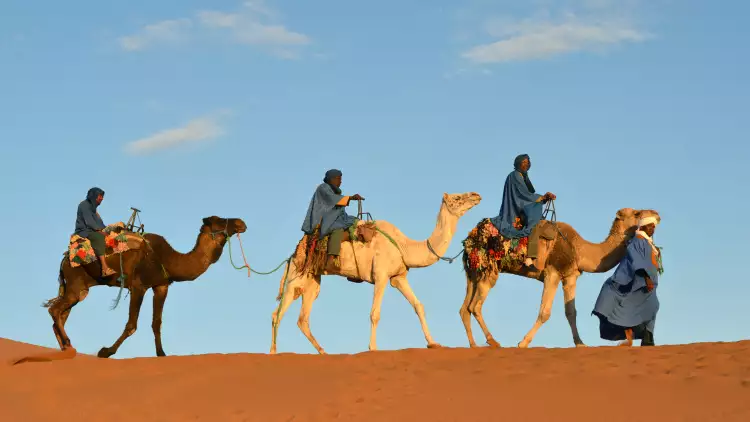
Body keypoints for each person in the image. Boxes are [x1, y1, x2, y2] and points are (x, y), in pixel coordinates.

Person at [591, 215, 662, 346]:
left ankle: (647, 338)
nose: (653, 228)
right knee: (652, 305)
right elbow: (636, 260)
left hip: (648, 286)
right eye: (650, 226)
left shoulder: (647, 242)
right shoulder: (638, 240)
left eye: (654, 226)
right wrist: (646, 278)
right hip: (639, 283)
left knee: (652, 306)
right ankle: (642, 336)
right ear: (642, 226)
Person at [489, 154, 556, 271]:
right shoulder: (515, 175)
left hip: (522, 205)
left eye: (528, 162)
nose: (526, 164)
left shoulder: (523, 176)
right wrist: (543, 197)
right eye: (524, 162)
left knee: (549, 230)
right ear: (518, 163)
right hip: (516, 209)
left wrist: (543, 198)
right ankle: (529, 259)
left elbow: (528, 196)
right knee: (535, 225)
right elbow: (523, 195)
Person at [301, 169, 364, 269]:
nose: (340, 181)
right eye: (338, 179)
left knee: (355, 225)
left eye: (341, 179)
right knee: (337, 229)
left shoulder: (334, 191)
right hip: (324, 219)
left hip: (336, 217)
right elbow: (332, 200)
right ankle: (331, 258)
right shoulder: (323, 188)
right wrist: (351, 198)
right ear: (331, 179)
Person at [74, 187, 116, 277]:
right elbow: (90, 223)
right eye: (100, 196)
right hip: (84, 231)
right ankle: (105, 268)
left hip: (93, 229)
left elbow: (99, 223)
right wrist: (101, 232)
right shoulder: (84, 205)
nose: (102, 198)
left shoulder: (93, 209)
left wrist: (108, 230)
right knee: (99, 238)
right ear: (94, 196)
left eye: (102, 196)